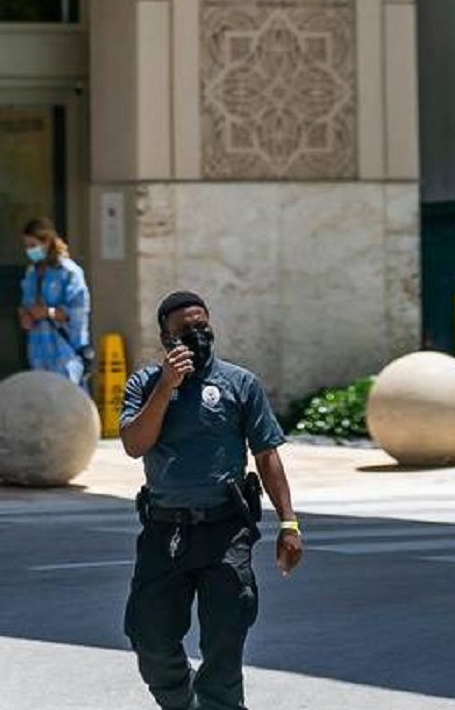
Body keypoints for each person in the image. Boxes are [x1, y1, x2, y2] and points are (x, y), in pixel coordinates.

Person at [119, 291, 302, 710]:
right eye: (185, 330)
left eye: (202, 325)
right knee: (149, 636)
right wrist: (166, 387)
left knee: (225, 637)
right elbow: (134, 444)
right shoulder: (145, 384)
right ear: (166, 339)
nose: (197, 335)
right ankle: (181, 701)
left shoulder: (239, 384)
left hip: (225, 530)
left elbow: (267, 454)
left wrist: (289, 524)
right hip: (165, 531)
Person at [17, 217, 92, 387]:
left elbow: (77, 314)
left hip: (65, 355)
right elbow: (25, 307)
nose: (29, 251)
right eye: (26, 246)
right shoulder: (31, 274)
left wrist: (47, 312)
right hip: (38, 354)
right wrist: (26, 317)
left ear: (47, 242)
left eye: (33, 245)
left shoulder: (69, 272)